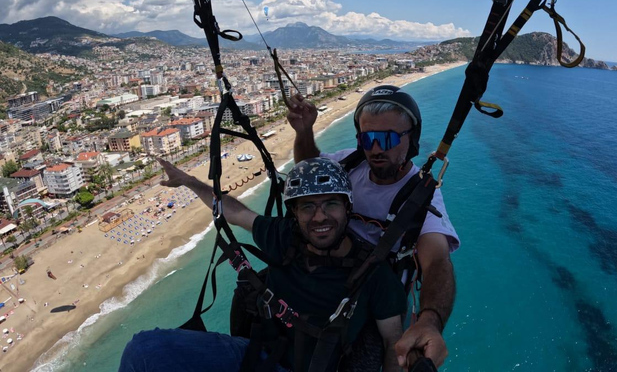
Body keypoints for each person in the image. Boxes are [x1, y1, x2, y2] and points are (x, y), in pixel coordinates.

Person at [119, 157, 405, 372]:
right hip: (257, 354)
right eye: (307, 207)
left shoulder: (374, 274)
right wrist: (190, 182)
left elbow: (394, 342)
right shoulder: (284, 237)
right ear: (294, 213)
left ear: (347, 208)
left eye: (330, 204)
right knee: (143, 349)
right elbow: (236, 212)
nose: (319, 217)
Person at [287, 85, 460, 369]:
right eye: (367, 139)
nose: (376, 149)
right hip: (327, 273)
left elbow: (437, 260)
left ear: (411, 140)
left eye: (388, 138)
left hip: (376, 297)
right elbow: (308, 170)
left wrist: (430, 320)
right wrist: (304, 132)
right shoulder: (350, 164)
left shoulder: (421, 198)